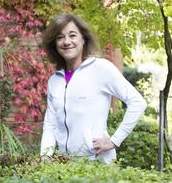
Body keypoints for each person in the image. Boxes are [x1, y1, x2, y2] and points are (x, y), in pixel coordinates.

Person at [40, 13, 147, 164]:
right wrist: (45, 156)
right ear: (55, 44)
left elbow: (138, 102)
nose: (66, 41)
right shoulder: (54, 81)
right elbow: (51, 123)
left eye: (72, 35)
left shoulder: (100, 68)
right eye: (60, 37)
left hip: (98, 164)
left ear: (83, 39)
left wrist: (114, 141)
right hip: (65, 166)